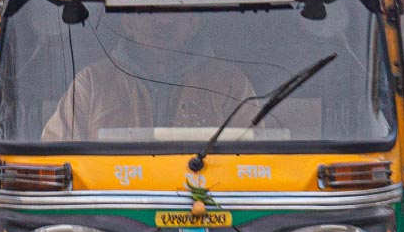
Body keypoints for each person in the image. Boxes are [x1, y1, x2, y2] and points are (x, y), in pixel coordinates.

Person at [42, 14, 254, 141]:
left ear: (194, 24)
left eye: (175, 9)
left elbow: (255, 161)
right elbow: (54, 154)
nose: (164, 21)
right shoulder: (92, 82)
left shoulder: (230, 83)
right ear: (128, 23)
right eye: (150, 11)